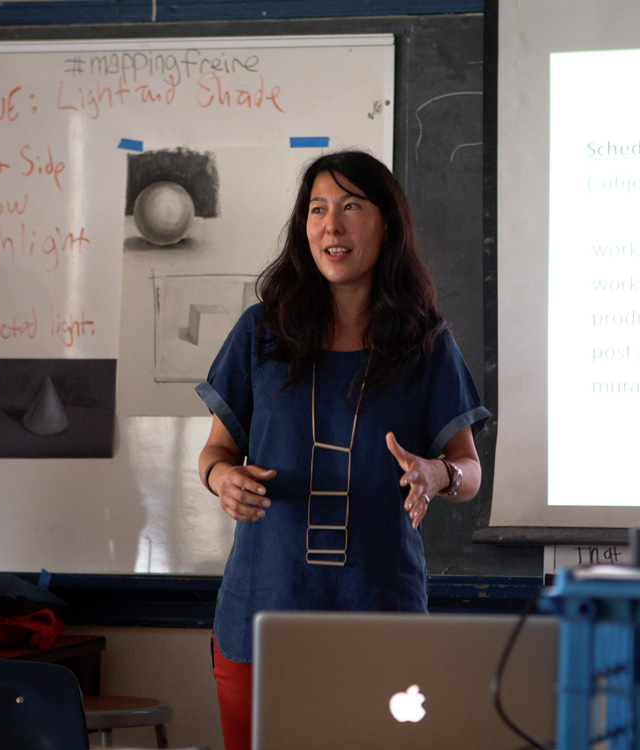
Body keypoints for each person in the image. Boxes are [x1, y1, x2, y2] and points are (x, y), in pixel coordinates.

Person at [195, 149, 491, 750]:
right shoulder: (260, 332)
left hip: (380, 614)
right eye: (317, 209)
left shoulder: (426, 343)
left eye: (351, 207)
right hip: (262, 615)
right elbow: (215, 453)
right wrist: (221, 479)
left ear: (387, 225)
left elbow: (470, 470)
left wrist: (438, 474)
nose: (331, 225)